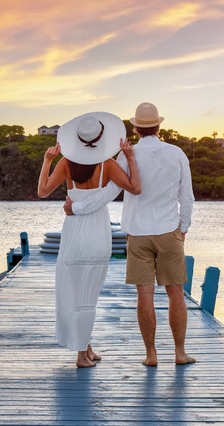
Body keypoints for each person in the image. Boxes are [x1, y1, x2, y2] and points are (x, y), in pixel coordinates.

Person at [64, 102, 195, 367]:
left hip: (137, 233)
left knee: (144, 294)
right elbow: (187, 197)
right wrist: (183, 228)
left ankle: (151, 355)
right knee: (176, 292)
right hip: (169, 230)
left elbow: (109, 193)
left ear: (135, 128)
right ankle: (180, 353)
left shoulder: (126, 156)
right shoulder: (177, 153)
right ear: (159, 126)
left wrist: (76, 208)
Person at [38, 112, 141, 368]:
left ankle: (86, 347)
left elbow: (42, 191)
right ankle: (81, 355)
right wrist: (129, 157)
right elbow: (135, 188)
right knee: (89, 294)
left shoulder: (65, 163)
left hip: (73, 230)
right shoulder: (107, 164)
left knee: (74, 290)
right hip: (97, 231)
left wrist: (47, 160)